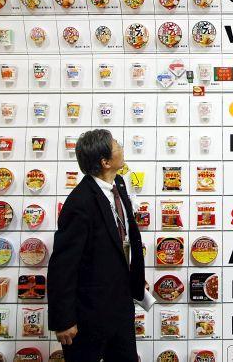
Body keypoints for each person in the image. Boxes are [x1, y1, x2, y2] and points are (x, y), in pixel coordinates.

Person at [47, 129, 145, 361]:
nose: (121, 147)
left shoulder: (118, 185)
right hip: (88, 315)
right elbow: (62, 265)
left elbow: (120, 241)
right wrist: (63, 321)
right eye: (116, 145)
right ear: (105, 161)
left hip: (120, 306)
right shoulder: (80, 202)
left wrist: (134, 277)